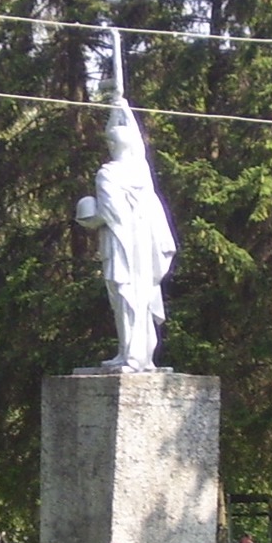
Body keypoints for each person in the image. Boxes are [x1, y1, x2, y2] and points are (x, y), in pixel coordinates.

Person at [74, 97, 176, 371]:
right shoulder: (139, 171)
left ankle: (131, 357)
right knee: (141, 300)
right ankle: (141, 358)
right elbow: (136, 144)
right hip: (143, 245)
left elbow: (109, 214)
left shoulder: (108, 174)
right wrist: (122, 108)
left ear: (110, 146)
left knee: (125, 298)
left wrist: (87, 217)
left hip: (122, 247)